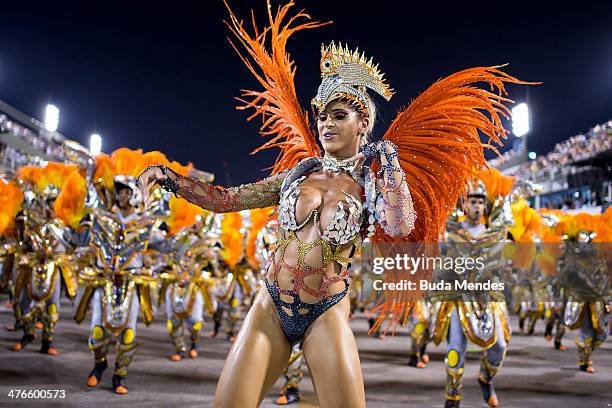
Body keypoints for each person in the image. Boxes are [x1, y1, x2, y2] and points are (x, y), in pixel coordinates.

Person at [139, 3, 530, 406]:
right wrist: (171, 180)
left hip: (324, 312)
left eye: (338, 115)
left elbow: (398, 227)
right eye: (321, 115)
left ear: (363, 123)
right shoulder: (298, 173)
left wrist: (391, 165)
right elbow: (228, 200)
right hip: (269, 306)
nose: (325, 123)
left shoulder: (371, 183)